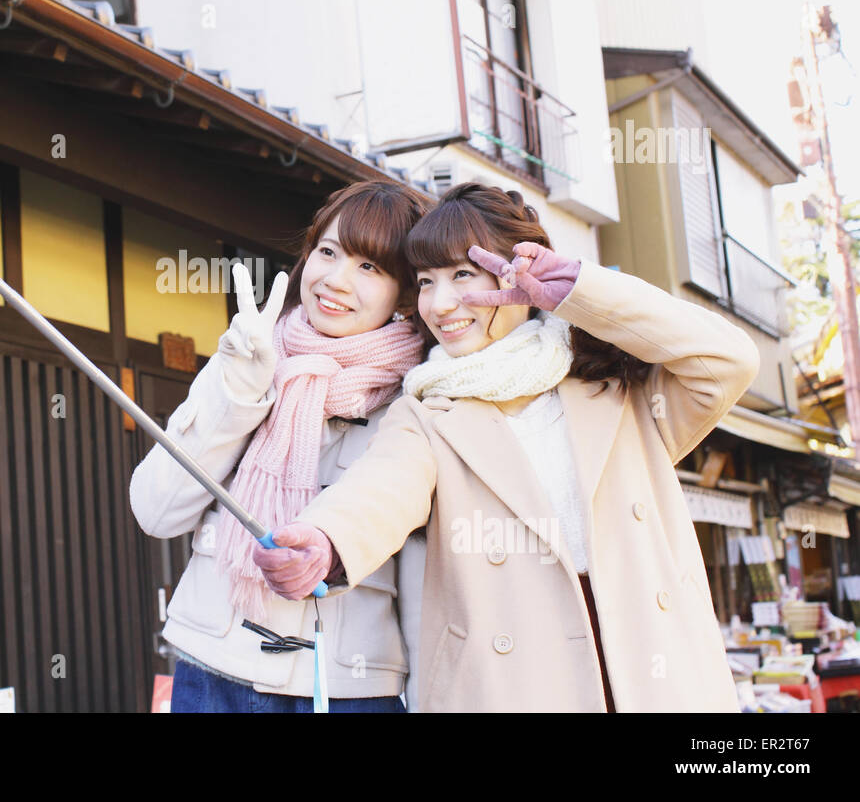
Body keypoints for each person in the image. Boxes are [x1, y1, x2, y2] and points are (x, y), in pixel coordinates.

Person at [253, 182, 760, 712]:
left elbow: (727, 362)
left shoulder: (620, 387)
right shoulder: (429, 408)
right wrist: (327, 539)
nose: (440, 303)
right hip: (519, 687)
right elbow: (381, 489)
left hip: (655, 674)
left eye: (463, 275)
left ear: (522, 276)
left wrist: (582, 292)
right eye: (426, 281)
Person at [129, 180, 431, 711]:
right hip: (212, 673)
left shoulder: (418, 397)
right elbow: (156, 511)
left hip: (347, 689)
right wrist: (239, 392)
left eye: (370, 267)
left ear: (406, 294)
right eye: (328, 252)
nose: (335, 281)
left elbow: (428, 582)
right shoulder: (249, 356)